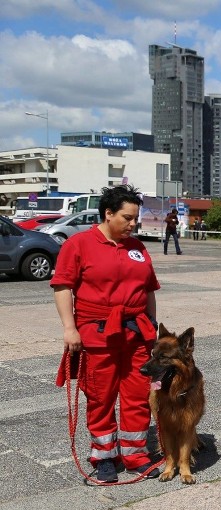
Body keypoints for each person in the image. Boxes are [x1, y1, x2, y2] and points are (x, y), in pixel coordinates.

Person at [50, 185, 161, 483]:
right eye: (127, 218)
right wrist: (69, 328)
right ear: (108, 214)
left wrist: (152, 325)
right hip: (98, 333)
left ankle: (136, 455)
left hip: (136, 334)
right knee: (100, 397)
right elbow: (63, 287)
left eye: (135, 218)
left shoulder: (137, 247)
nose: (132, 223)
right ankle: (104, 457)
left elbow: (149, 289)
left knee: (138, 395)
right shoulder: (79, 245)